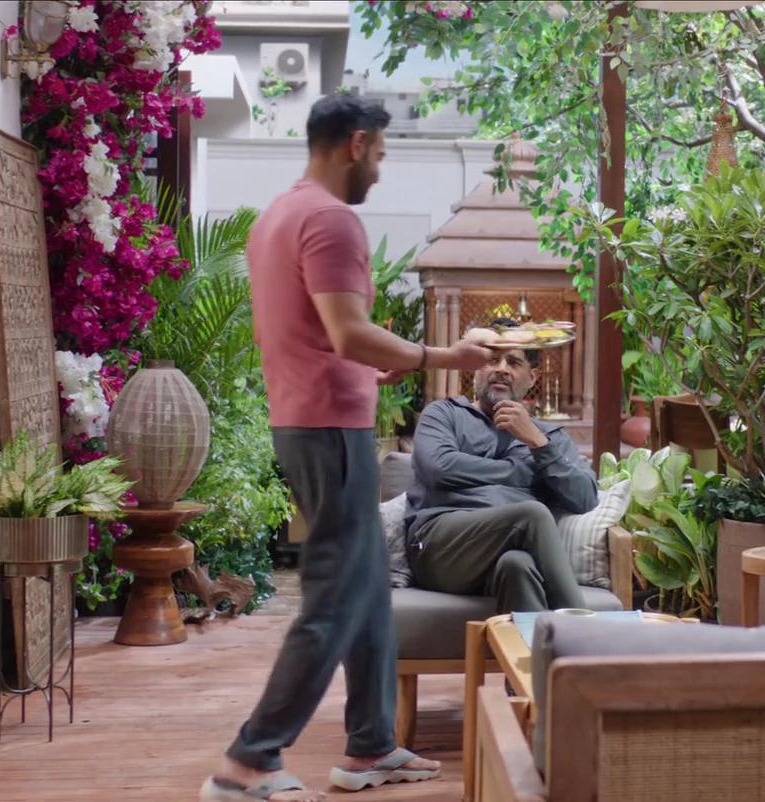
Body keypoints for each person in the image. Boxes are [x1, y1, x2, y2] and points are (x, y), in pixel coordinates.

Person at [203, 94, 493, 802]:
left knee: (364, 590)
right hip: (330, 429)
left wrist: (371, 365)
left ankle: (370, 745)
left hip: (309, 420)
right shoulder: (332, 219)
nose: (381, 172)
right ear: (356, 144)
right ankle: (250, 757)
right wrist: (443, 355)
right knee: (335, 595)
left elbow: (315, 334)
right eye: (382, 155)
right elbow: (348, 331)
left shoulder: (279, 215)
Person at [405, 318, 597, 612]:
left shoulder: (549, 438)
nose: (502, 369)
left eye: (514, 362)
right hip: (439, 547)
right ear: (476, 369)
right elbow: (439, 467)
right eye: (492, 360)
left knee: (517, 565)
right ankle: (584, 630)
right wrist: (518, 472)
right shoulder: (443, 414)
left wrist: (538, 443)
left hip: (503, 553)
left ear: (532, 377)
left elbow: (585, 498)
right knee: (532, 514)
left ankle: (538, 642)